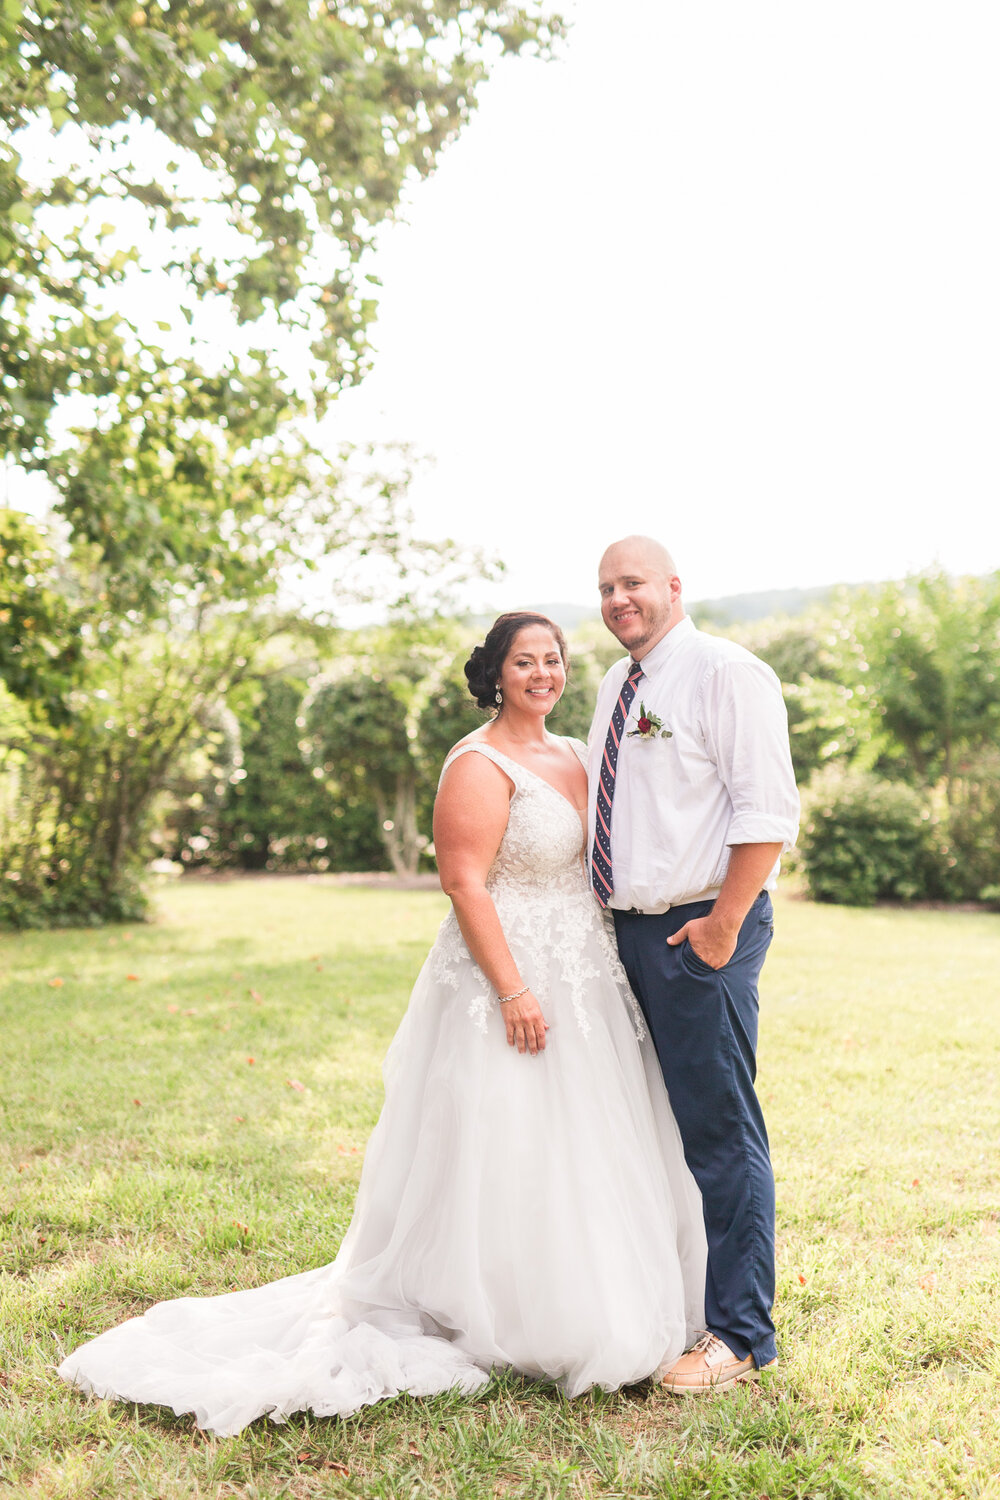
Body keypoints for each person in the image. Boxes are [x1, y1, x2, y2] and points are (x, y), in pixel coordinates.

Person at [58, 611, 706, 1437]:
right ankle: (497, 1305)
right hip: (507, 975)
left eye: (553, 660)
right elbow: (466, 884)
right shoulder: (475, 763)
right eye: (524, 662)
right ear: (496, 674)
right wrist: (513, 991)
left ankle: (597, 1285)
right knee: (507, 1136)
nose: (542, 673)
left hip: (585, 972)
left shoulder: (578, 755)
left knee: (589, 1136)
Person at [588, 538, 800, 1394]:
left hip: (700, 932)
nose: (617, 599)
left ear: (674, 587)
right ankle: (675, 1300)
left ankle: (742, 1337)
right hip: (628, 933)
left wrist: (722, 925)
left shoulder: (725, 672)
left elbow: (767, 810)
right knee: (652, 1127)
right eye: (605, 588)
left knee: (718, 1130)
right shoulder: (616, 685)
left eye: (632, 583)